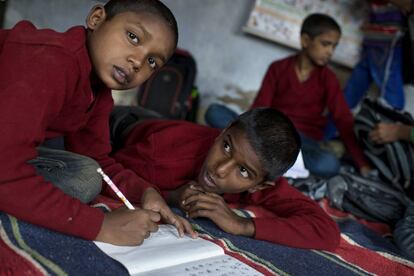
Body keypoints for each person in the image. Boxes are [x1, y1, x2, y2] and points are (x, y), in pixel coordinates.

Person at [0, 0, 196, 247]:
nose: (138, 61)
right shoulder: (53, 60)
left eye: (153, 62)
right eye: (133, 37)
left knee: (86, 175)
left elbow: (98, 162)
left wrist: (146, 192)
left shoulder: (98, 92)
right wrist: (100, 226)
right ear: (96, 19)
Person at [112, 108, 341, 251]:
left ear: (259, 186)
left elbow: (326, 231)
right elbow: (108, 169)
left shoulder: (261, 177)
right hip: (124, 123)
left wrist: (242, 225)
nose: (220, 169)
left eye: (243, 171)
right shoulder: (162, 155)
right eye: (227, 146)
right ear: (224, 130)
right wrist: (170, 196)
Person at [205, 13, 371, 178]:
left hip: (303, 143)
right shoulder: (278, 68)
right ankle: (275, 163)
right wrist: (252, 132)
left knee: (329, 164)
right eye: (325, 44)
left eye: (334, 46)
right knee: (214, 111)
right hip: (270, 136)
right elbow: (260, 107)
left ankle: (266, 161)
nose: (330, 52)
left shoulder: (328, 78)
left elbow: (343, 118)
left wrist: (361, 163)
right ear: (305, 40)